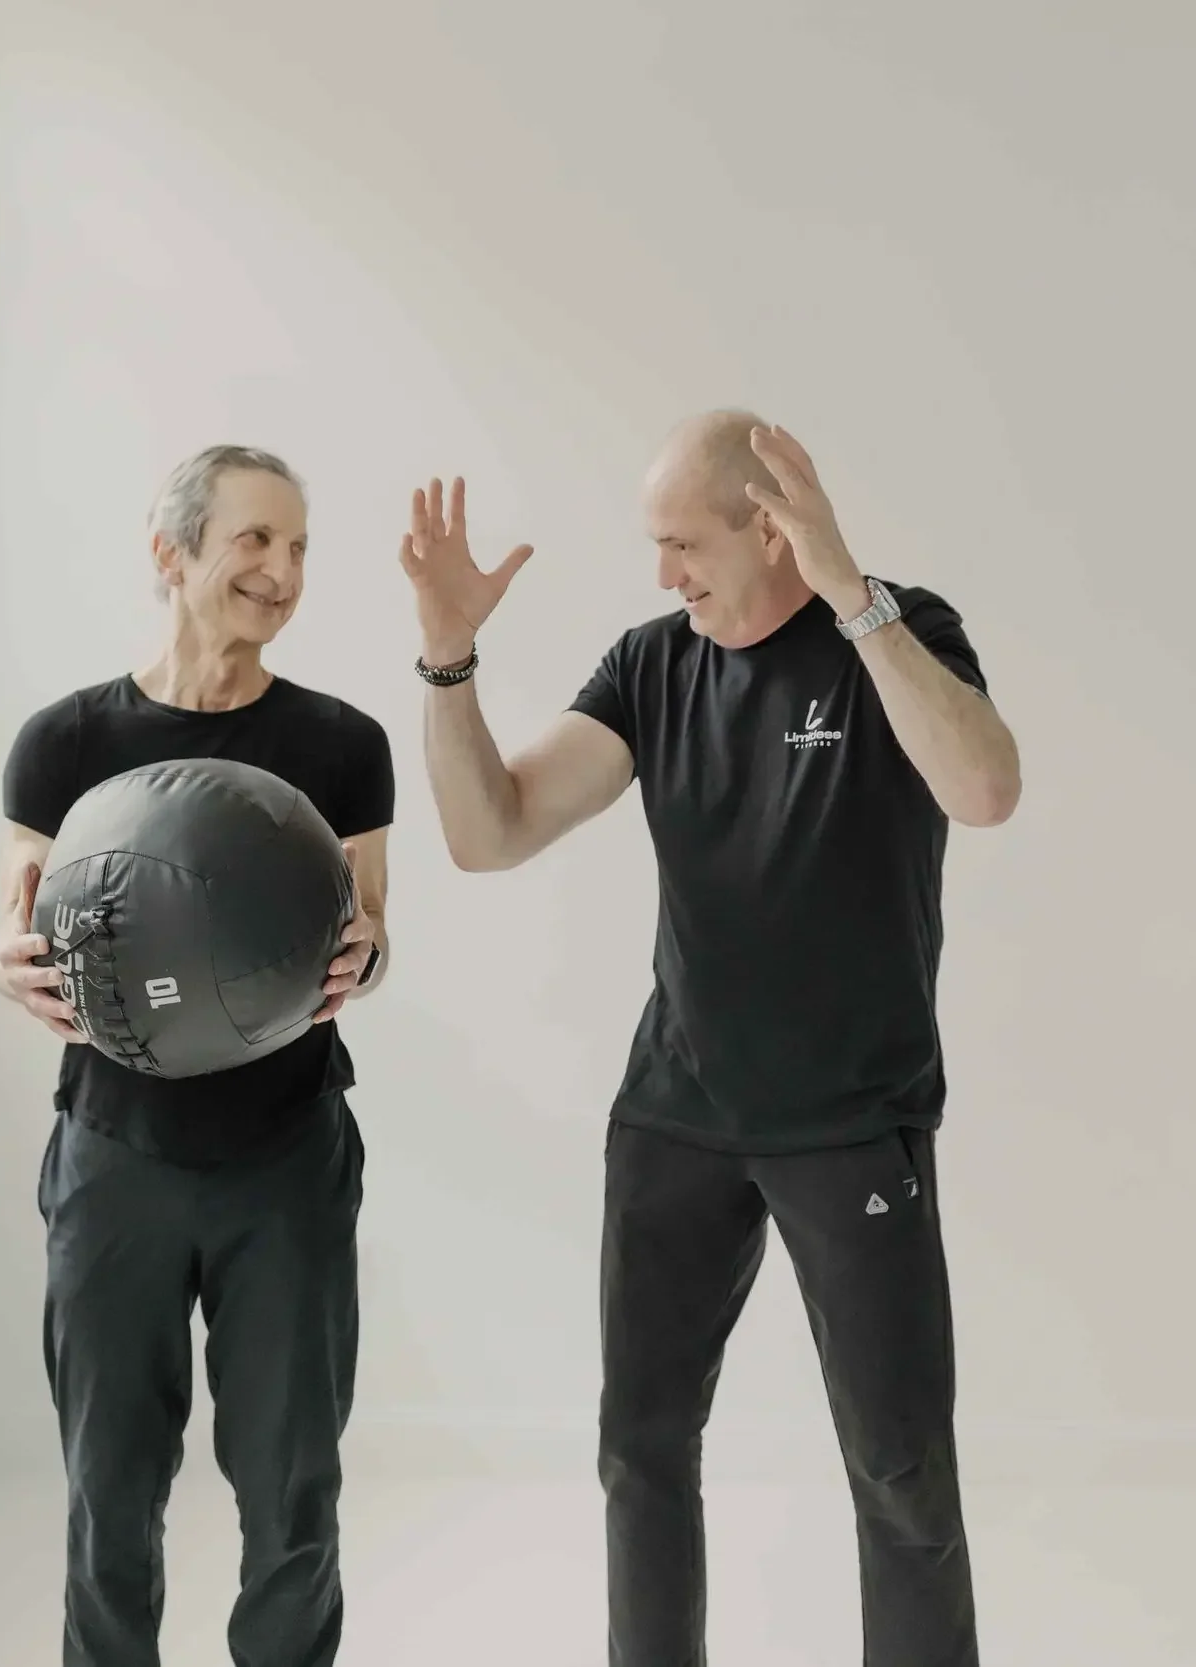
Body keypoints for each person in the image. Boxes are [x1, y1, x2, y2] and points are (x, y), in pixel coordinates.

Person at [398, 411, 1022, 1666]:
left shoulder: (899, 632)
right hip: (675, 1117)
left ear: (773, 530)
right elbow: (489, 831)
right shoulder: (652, 666)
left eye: (683, 543)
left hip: (851, 1124)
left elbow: (985, 789)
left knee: (898, 1469)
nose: (664, 573)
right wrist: (448, 660)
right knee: (640, 1447)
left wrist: (853, 597)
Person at [0, 444, 395, 1667]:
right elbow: (15, 920)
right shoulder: (64, 742)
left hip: (286, 1156)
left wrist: (365, 952)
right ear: (171, 553)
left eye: (299, 545)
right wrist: (4, 960)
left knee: (292, 1490)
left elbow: (371, 932)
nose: (282, 570)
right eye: (254, 539)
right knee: (108, 1490)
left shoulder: (343, 741)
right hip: (116, 1155)